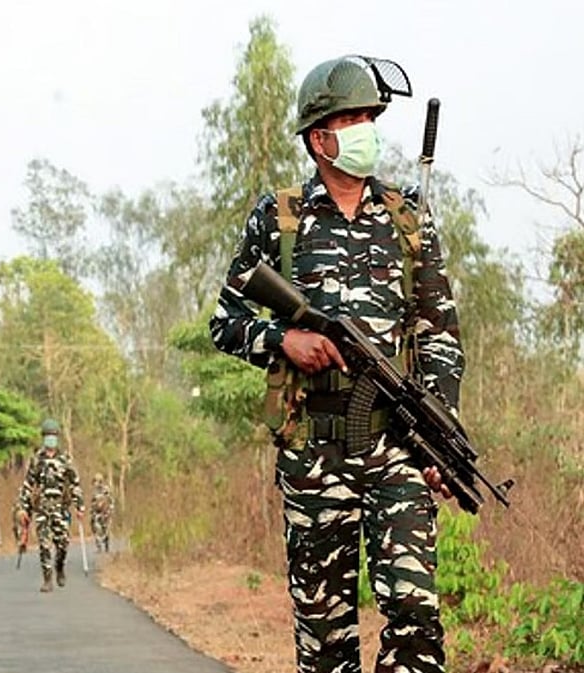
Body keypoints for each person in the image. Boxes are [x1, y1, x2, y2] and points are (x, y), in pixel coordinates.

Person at [209, 55, 461, 673]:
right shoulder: (280, 216)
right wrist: (282, 340)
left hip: (396, 447)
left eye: (370, 116)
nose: (365, 128)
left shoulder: (409, 220)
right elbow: (225, 322)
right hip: (313, 451)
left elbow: (440, 337)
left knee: (417, 617)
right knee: (326, 643)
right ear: (318, 137)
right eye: (350, 118)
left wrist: (439, 434)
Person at [17, 418, 84, 592]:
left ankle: (59, 567)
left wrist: (79, 506)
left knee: (62, 543)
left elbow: (75, 483)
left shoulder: (65, 459)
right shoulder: (36, 460)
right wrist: (24, 508)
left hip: (61, 508)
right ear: (43, 438)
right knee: (44, 544)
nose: (50, 439)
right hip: (42, 509)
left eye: (53, 436)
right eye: (47, 436)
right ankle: (47, 579)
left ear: (57, 437)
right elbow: (28, 485)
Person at [88, 473, 113, 553]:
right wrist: (91, 510)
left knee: (105, 529)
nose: (95, 483)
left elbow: (110, 500)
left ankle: (106, 546)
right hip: (96, 513)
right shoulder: (94, 491)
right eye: (95, 481)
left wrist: (110, 510)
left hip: (105, 513)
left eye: (97, 481)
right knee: (95, 528)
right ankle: (99, 547)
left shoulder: (106, 490)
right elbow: (92, 502)